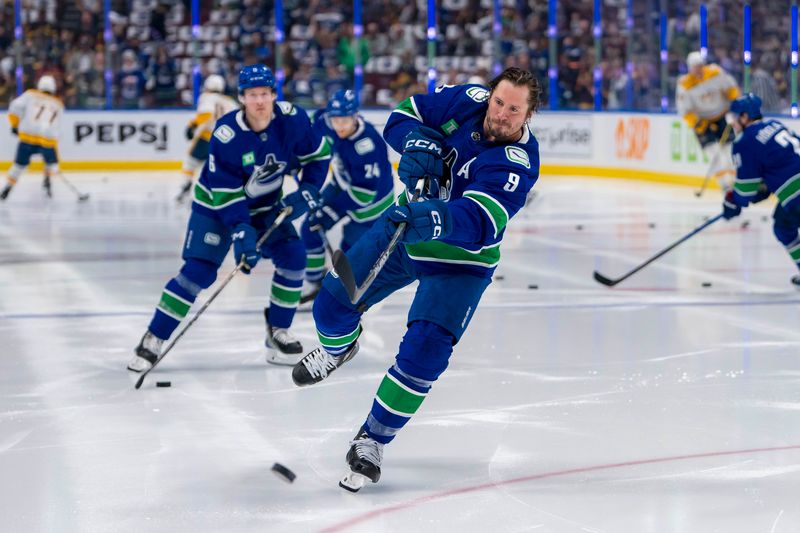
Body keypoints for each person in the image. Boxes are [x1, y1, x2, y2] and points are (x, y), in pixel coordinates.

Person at [291, 67, 541, 492]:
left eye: (513, 110)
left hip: (460, 262)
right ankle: (339, 348)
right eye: (499, 102)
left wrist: (434, 215)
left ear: (529, 115)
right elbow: (403, 116)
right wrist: (416, 140)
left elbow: (481, 221)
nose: (500, 114)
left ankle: (372, 439)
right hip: (400, 229)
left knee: (425, 352)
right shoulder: (466, 100)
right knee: (331, 306)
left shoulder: (517, 162)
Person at [128, 65, 331, 372]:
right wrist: (241, 233)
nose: (260, 101)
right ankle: (154, 337)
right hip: (215, 209)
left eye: (265, 94)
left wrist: (309, 189)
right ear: (241, 99)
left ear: (274, 95)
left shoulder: (293, 120)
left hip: (265, 207)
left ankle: (278, 332)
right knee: (198, 272)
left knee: (293, 257)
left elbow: (317, 156)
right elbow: (225, 193)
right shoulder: (226, 134)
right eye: (252, 95)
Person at [298, 89, 394, 304]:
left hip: (371, 205)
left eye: (345, 120)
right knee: (310, 227)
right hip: (341, 184)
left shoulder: (367, 146)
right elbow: (311, 123)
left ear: (356, 116)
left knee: (350, 253)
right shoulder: (327, 121)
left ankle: (346, 289)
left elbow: (364, 193)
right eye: (336, 120)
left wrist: (330, 212)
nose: (340, 125)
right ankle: (315, 283)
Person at [721, 93, 800, 287]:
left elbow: (745, 190)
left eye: (735, 117)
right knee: (783, 224)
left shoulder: (744, 142)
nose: (733, 122)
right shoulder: (775, 124)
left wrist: (732, 202)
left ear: (745, 117)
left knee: (784, 227)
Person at [676, 51, 740, 191]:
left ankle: (736, 181)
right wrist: (697, 123)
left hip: (722, 117)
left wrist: (734, 108)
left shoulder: (715, 73)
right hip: (703, 122)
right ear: (689, 68)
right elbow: (684, 110)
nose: (698, 69)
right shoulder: (684, 84)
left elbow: (731, 89)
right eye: (694, 66)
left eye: (700, 65)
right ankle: (724, 184)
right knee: (713, 153)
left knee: (730, 150)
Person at [175, 74, 239, 203]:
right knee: (218, 167)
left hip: (207, 137)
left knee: (190, 162)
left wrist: (192, 126)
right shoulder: (230, 102)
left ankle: (186, 185)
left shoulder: (206, 97)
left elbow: (206, 115)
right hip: (226, 140)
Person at [1, 75, 64, 201]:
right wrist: (53, 147)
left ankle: (7, 188)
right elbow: (56, 127)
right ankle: (47, 180)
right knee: (50, 163)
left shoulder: (30, 95)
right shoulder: (58, 104)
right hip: (47, 140)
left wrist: (15, 125)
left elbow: (14, 107)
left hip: (27, 137)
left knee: (18, 165)